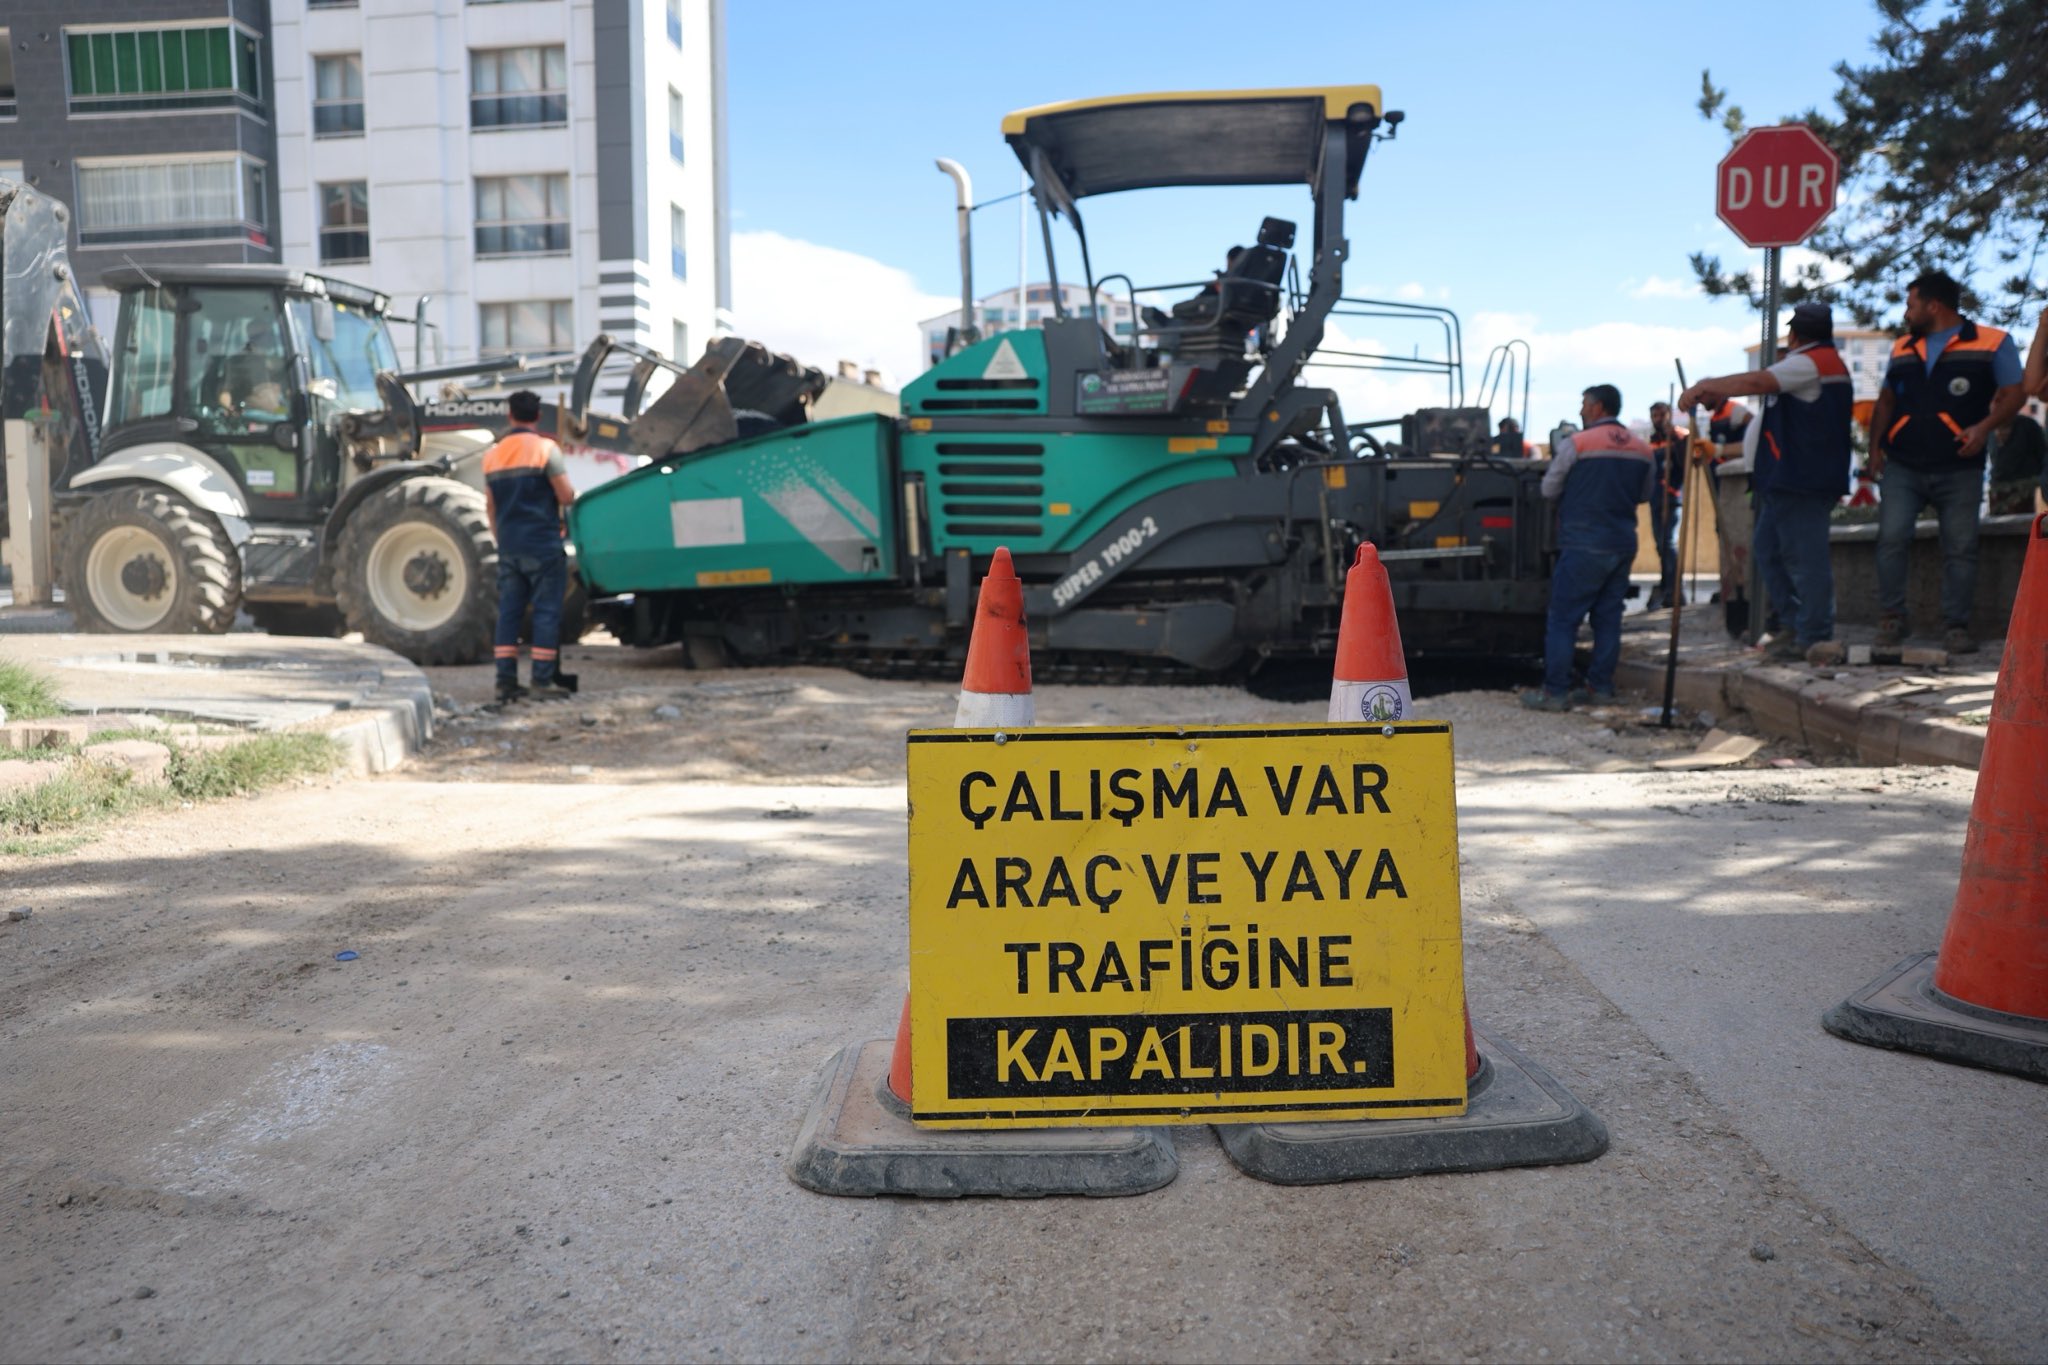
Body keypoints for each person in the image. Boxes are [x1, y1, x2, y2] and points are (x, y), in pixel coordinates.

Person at [1679, 301, 1853, 662]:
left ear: (1795, 334)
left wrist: (1708, 385)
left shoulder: (1811, 362)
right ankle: (1794, 625)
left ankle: (1814, 634)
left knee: (1805, 559)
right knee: (1770, 552)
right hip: (1785, 479)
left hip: (1804, 478)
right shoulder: (1811, 363)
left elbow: (1757, 381)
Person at [1867, 270, 2025, 653]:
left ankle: (1956, 626)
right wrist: (1874, 450)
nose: (1906, 314)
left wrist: (1983, 428)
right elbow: (1887, 400)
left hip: (1959, 466)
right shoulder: (1903, 347)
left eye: (1910, 304)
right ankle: (1892, 617)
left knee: (1960, 548)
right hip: (1903, 464)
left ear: (1933, 305)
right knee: (1890, 538)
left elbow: (2015, 393)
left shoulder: (1992, 342)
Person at [1522, 384, 1653, 711]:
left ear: (1597, 407)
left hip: (1583, 543)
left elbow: (1549, 489)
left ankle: (1555, 693)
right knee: (1608, 619)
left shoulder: (1577, 444)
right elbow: (1645, 494)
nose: (1581, 410)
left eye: (1584, 404)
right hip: (1622, 542)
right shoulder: (1642, 449)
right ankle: (1600, 688)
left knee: (1564, 620)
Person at [483, 391, 578, 703]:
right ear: (538, 416)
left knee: (509, 613)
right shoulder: (545, 449)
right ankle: (542, 680)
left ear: (510, 415)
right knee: (546, 612)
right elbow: (565, 496)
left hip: (510, 545)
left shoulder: (493, 455)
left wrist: (502, 540)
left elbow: (491, 507)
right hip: (543, 545)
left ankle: (505, 681)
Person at [1689, 398, 1754, 636]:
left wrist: (1718, 450)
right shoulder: (1713, 417)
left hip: (1740, 485)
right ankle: (1731, 586)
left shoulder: (1735, 412)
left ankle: (1742, 587)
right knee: (1722, 534)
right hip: (1721, 486)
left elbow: (1751, 443)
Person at [1645, 402, 1688, 610]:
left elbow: (1687, 462)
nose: (1658, 418)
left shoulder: (1679, 437)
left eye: (1661, 414)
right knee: (1660, 545)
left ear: (1669, 415)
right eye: (1654, 415)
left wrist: (1677, 442)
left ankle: (1675, 588)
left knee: (1669, 544)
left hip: (1672, 499)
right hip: (1655, 499)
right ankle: (1666, 586)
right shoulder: (1653, 442)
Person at [1986, 409, 2046, 515]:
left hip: (2027, 492)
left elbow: (2042, 456)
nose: (1995, 405)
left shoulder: (2027, 425)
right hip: (1997, 492)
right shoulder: (1988, 429)